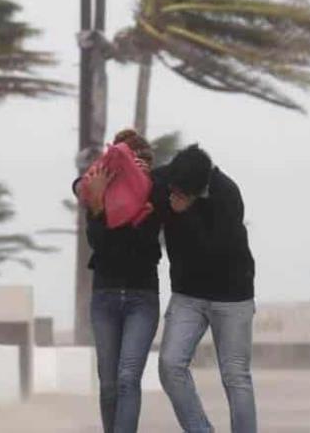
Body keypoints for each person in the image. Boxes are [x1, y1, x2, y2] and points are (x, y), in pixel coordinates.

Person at [153, 144, 257, 433]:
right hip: (188, 295)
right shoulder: (172, 178)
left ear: (198, 190)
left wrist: (186, 212)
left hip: (232, 296)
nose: (172, 194)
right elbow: (138, 182)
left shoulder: (228, 194)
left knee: (236, 376)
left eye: (181, 193)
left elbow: (215, 251)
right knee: (170, 365)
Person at [74, 129, 161, 433]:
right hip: (105, 296)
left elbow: (148, 249)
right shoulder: (99, 196)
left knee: (127, 378)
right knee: (108, 382)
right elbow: (99, 244)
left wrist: (141, 204)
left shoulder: (154, 197)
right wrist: (98, 205)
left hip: (142, 298)